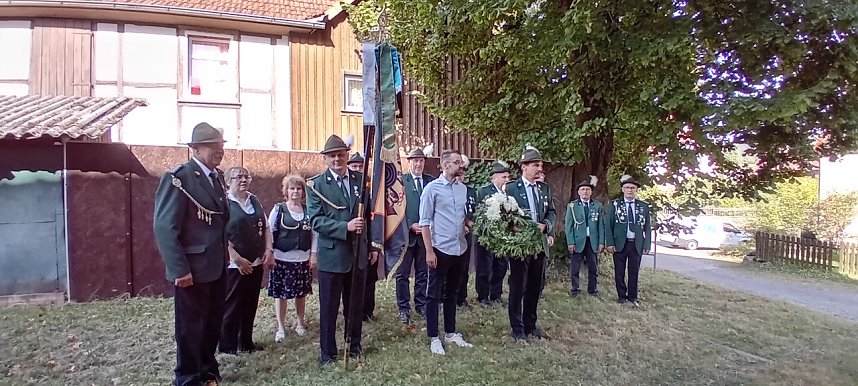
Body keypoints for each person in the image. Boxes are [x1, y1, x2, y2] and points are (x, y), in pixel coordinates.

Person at [153, 122, 229, 386]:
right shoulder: (179, 178)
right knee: (190, 327)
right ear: (195, 149)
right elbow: (164, 227)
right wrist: (178, 269)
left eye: (220, 145)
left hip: (217, 266)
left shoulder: (217, 177)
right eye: (212, 146)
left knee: (212, 322)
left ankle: (207, 370)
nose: (219, 150)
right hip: (192, 270)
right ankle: (187, 378)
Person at [306, 134, 378, 366]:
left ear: (347, 155)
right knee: (329, 308)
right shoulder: (315, 185)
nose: (337, 159)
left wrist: (373, 244)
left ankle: (354, 345)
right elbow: (316, 220)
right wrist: (344, 227)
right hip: (332, 255)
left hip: (358, 254)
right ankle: (328, 353)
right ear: (325, 159)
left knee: (354, 305)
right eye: (332, 156)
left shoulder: (360, 179)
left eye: (340, 154)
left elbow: (370, 215)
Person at [420, 149, 474, 355]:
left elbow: (462, 216)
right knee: (433, 295)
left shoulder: (462, 189)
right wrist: (429, 251)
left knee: (452, 293)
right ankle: (434, 337)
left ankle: (451, 333)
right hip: (439, 249)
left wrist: (468, 223)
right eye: (457, 162)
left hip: (459, 248)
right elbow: (425, 223)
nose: (461, 166)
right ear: (445, 165)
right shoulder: (431, 189)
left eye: (461, 162)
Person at [219, 167, 274, 355]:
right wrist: (235, 257)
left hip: (256, 261)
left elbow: (266, 226)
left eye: (246, 176)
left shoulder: (254, 200)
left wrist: (268, 249)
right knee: (232, 304)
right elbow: (219, 233)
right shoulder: (224, 203)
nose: (243, 180)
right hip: (235, 264)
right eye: (238, 177)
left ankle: (246, 342)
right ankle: (227, 346)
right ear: (227, 181)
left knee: (250, 303)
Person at [504, 145, 555, 342]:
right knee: (518, 286)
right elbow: (503, 214)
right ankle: (517, 328)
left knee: (535, 285)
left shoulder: (544, 188)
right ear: (524, 166)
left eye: (540, 164)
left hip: (538, 245)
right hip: (519, 245)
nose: (539, 168)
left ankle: (530, 324)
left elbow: (551, 211)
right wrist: (513, 226)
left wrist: (546, 225)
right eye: (535, 165)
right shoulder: (511, 188)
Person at [268, 174, 317, 343]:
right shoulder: (278, 209)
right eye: (292, 188)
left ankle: (300, 323)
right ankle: (281, 327)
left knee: (300, 293)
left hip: (302, 259)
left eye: (298, 188)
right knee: (280, 294)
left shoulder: (308, 210)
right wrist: (270, 253)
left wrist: (313, 254)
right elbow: (269, 232)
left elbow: (314, 234)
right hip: (281, 258)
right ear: (286, 191)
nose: (295, 191)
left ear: (303, 192)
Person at [397, 147, 435, 323]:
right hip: (406, 237)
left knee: (423, 273)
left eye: (421, 160)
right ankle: (403, 308)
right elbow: (395, 210)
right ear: (409, 162)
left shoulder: (431, 182)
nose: (418, 164)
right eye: (415, 160)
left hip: (425, 237)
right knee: (402, 274)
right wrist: (409, 225)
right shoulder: (400, 182)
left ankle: (421, 305)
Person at [605, 175, 652, 307]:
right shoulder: (615, 204)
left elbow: (648, 227)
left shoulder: (643, 206)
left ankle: (633, 296)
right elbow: (608, 225)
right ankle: (621, 296)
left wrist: (647, 244)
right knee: (619, 271)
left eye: (632, 188)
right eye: (627, 187)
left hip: (636, 243)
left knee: (634, 271)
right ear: (623, 189)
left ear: (636, 190)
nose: (630, 190)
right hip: (620, 243)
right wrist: (610, 243)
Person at [475, 161, 511, 307]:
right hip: (487, 235)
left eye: (508, 177)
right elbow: (478, 212)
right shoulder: (483, 191)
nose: (506, 180)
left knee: (501, 265)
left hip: (502, 236)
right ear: (494, 177)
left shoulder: (508, 193)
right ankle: (483, 296)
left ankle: (496, 294)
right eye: (504, 177)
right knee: (485, 267)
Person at [565, 176, 605, 297]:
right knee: (575, 268)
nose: (585, 192)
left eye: (587, 189)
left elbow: (601, 226)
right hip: (578, 241)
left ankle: (592, 290)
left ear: (591, 192)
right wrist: (570, 242)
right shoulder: (572, 206)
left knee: (593, 268)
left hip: (592, 241)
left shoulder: (597, 206)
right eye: (582, 189)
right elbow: (568, 226)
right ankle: (575, 289)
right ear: (578, 192)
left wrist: (601, 242)